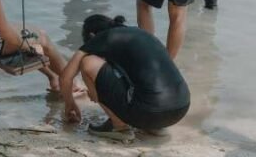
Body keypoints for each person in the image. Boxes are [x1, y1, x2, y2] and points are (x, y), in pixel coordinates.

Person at [61, 14, 191, 139]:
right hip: (180, 108)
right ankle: (154, 127)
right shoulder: (140, 35)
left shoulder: (102, 38)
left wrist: (69, 104)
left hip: (150, 111)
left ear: (92, 35)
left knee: (87, 62)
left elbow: (66, 77)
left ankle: (119, 127)